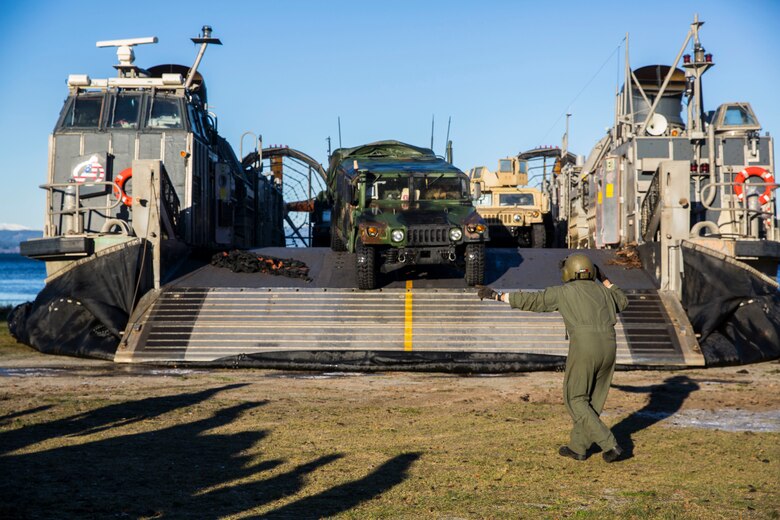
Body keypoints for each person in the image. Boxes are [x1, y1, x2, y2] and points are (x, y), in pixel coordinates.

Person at [477, 253, 629, 462]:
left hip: (585, 346)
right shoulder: (604, 292)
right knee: (593, 400)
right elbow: (623, 301)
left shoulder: (564, 292)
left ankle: (609, 444)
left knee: (575, 399)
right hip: (610, 346)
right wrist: (605, 280)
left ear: (569, 271)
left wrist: (498, 295)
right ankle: (578, 447)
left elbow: (533, 301)